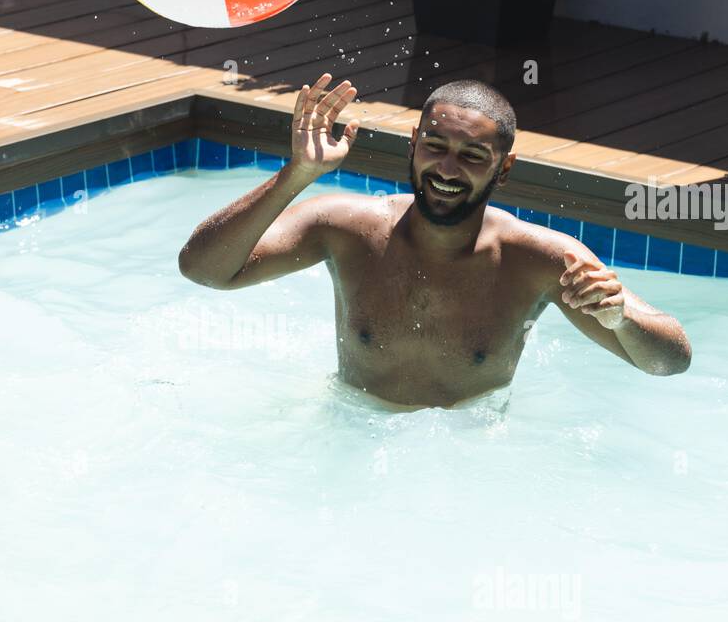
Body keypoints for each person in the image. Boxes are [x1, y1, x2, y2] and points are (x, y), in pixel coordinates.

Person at [178, 73, 692, 408]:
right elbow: (203, 270)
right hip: (353, 434)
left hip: (467, 456)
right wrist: (297, 174)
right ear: (414, 145)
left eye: (472, 156)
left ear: (504, 168)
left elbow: (669, 361)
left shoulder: (542, 259)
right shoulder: (344, 228)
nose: (447, 169)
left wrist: (620, 315)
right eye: (435, 146)